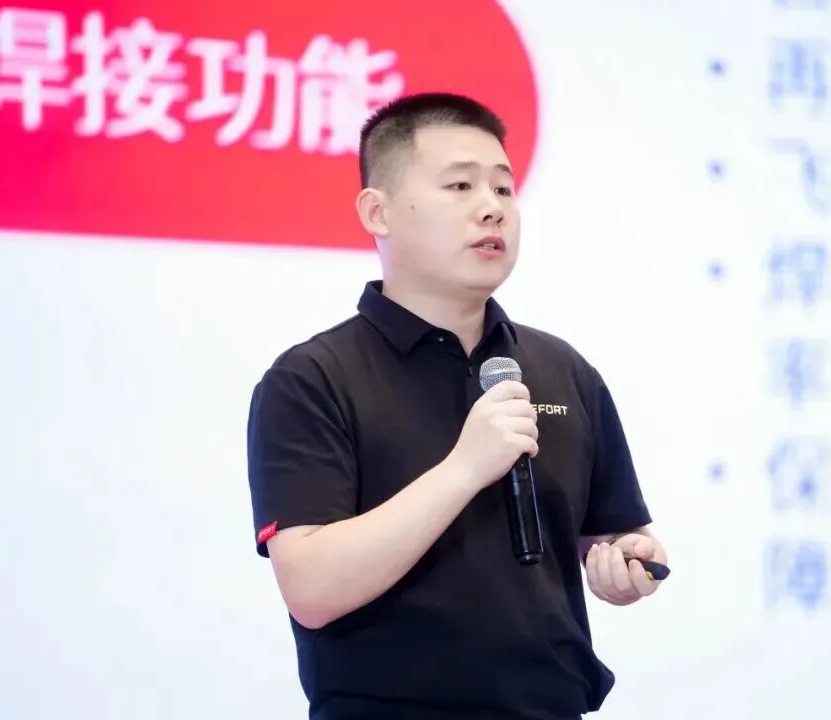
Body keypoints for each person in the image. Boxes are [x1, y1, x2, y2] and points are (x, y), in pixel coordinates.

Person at [246, 92, 668, 720]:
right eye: (460, 186)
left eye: (504, 189)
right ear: (377, 212)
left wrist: (628, 562)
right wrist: (465, 468)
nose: (492, 208)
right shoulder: (312, 379)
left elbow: (616, 533)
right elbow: (311, 588)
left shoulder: (563, 370)